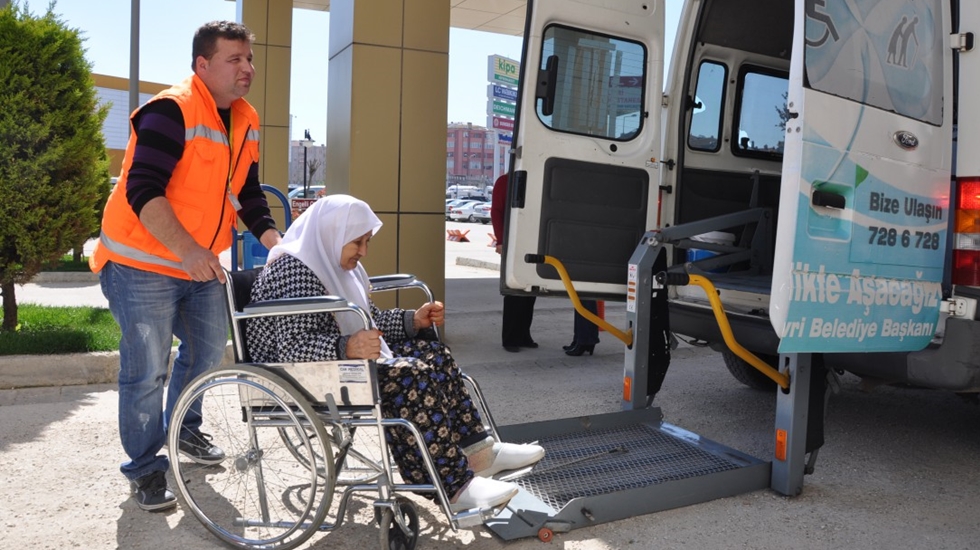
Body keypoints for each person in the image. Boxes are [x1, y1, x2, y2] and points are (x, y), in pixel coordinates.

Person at [246, 194, 545, 512]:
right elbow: (292, 348)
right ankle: (453, 487)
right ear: (332, 233)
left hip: (335, 362)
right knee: (407, 375)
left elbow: (368, 321)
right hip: (298, 374)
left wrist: (413, 320)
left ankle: (481, 455)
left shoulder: (335, 265)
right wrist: (347, 346)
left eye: (366, 242)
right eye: (357, 242)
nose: (363, 252)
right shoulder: (295, 271)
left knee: (434, 354)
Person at [90, 21, 283, 512]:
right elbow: (142, 190)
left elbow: (248, 193)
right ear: (202, 65)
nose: (247, 68)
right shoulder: (170, 110)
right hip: (140, 263)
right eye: (234, 59)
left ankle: (184, 431)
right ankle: (145, 469)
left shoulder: (245, 118)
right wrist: (190, 251)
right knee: (146, 371)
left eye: (249, 58)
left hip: (196, 265)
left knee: (203, 355)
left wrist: (275, 242)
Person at [490, 174, 537, 352]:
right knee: (514, 291)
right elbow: (496, 211)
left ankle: (524, 335)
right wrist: (501, 240)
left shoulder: (535, 178)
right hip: (513, 242)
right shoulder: (505, 181)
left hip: (532, 242)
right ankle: (510, 338)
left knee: (531, 290)